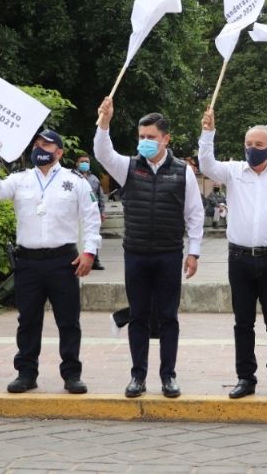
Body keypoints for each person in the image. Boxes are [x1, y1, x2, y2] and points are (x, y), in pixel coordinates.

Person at [94, 97, 204, 398]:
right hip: (136, 254)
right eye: (141, 137)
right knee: (139, 316)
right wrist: (104, 121)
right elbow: (102, 152)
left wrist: (193, 252)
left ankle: (168, 376)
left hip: (169, 254)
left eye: (150, 137)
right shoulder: (127, 167)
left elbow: (194, 214)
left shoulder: (183, 172)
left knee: (168, 317)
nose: (145, 141)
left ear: (165, 138)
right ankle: (137, 377)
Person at [0, 129, 100, 394]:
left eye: (47, 145)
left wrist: (89, 252)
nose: (40, 148)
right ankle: (26, 372)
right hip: (29, 261)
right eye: (37, 143)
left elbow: (91, 218)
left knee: (68, 320)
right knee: (28, 320)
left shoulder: (75, 181)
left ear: (59, 152)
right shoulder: (20, 179)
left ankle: (71, 374)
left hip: (63, 260)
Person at [198, 107, 267, 401]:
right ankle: (245, 377)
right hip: (239, 258)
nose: (252, 149)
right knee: (243, 322)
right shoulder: (233, 172)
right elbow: (206, 164)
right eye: (248, 144)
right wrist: (208, 132)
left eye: (258, 145)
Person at [75, 153, 106, 270]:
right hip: (77, 214)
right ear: (77, 163)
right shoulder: (72, 178)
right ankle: (78, 260)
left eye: (87, 162)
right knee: (78, 237)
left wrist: (102, 211)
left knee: (93, 235)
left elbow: (100, 196)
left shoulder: (94, 179)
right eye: (82, 161)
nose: (85, 164)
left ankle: (95, 260)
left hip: (92, 213)